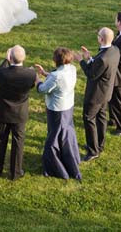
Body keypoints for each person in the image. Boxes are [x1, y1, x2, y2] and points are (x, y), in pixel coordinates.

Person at [35, 47, 81, 180]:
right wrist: (45, 73)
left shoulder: (56, 76)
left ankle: (55, 166)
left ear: (56, 60)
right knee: (66, 134)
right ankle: (69, 159)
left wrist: (37, 79)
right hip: (68, 107)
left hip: (57, 110)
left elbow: (42, 89)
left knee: (53, 139)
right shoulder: (72, 69)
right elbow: (58, 78)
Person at [0, 45, 36, 180]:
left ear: (10, 58)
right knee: (18, 142)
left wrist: (6, 60)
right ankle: (15, 172)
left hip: (2, 111)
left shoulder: (3, 73)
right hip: (20, 113)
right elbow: (32, 85)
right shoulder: (30, 74)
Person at [73, 27, 119, 161]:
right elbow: (100, 68)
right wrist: (90, 59)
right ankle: (100, 144)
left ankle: (93, 151)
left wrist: (81, 60)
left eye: (98, 35)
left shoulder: (103, 58)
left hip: (95, 95)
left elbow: (91, 74)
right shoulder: (114, 50)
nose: (97, 37)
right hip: (106, 92)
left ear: (101, 39)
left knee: (89, 119)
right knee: (102, 117)